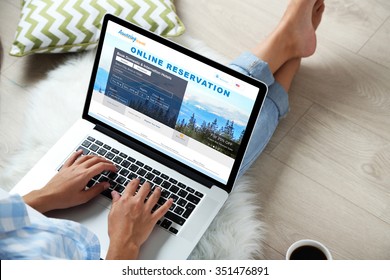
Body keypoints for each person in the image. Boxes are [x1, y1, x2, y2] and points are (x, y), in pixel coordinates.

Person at [0, 0, 325, 259]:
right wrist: (123, 246)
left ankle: (289, 45)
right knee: (218, 148)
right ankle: (287, 43)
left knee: (208, 141)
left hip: (50, 221)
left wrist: (41, 196)